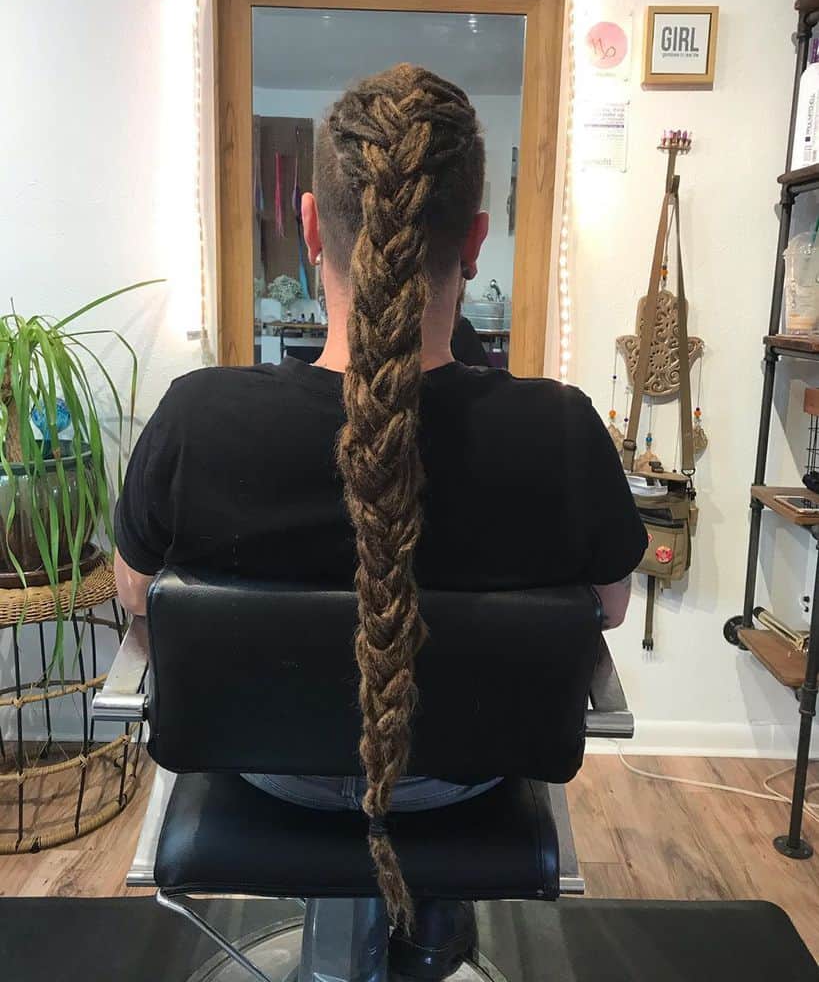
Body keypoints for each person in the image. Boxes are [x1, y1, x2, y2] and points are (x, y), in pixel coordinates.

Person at [114, 64, 646, 976]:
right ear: (474, 240)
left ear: (314, 224)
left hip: (265, 773)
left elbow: (135, 598)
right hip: (458, 782)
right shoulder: (560, 430)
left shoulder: (198, 418)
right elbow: (608, 608)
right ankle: (429, 927)